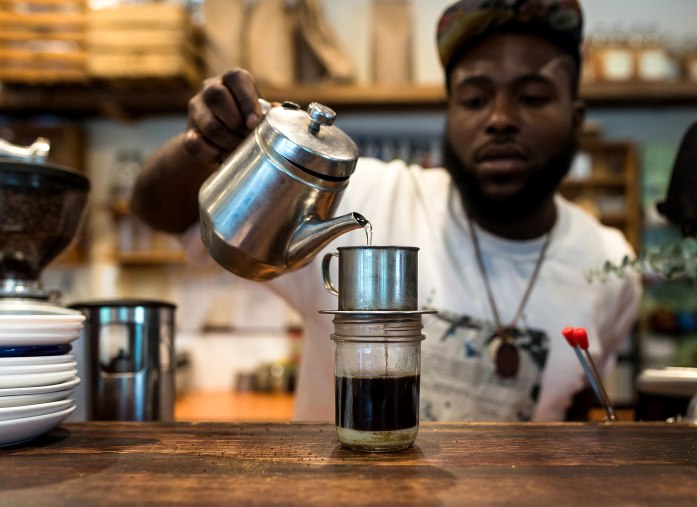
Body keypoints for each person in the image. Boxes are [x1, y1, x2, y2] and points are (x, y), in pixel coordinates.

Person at [131, 0, 641, 422]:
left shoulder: (609, 266)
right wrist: (202, 146)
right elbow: (161, 213)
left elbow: (574, 412)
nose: (500, 119)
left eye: (531, 97)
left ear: (576, 118)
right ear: (449, 113)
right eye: (474, 98)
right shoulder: (357, 198)